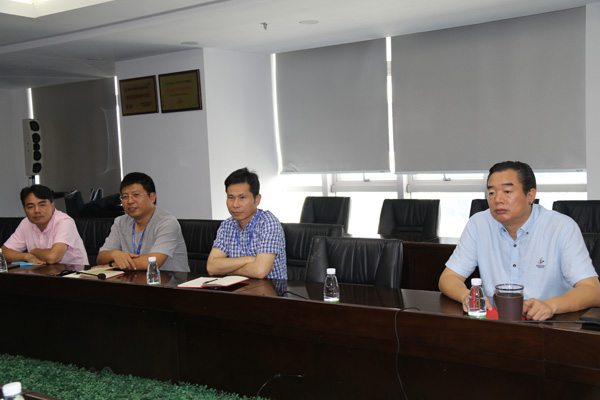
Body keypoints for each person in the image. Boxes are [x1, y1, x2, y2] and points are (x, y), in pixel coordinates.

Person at [439, 161, 600, 321]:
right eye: (492, 192)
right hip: (496, 323)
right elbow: (448, 278)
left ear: (530, 195)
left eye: (507, 191)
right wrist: (467, 296)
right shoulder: (479, 224)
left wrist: (550, 305)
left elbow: (593, 290)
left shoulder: (562, 228)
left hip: (549, 325)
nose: (498, 199)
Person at [97, 172, 189, 272]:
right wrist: (114, 254)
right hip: (134, 279)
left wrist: (113, 265)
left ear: (152, 197)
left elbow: (152, 263)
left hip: (170, 281)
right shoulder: (120, 222)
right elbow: (101, 257)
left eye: (136, 195)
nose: (130, 201)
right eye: (125, 196)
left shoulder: (167, 223)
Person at [207, 168, 287, 279]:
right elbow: (212, 267)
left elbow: (260, 271)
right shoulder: (227, 225)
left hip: (269, 288)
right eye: (231, 197)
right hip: (236, 288)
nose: (235, 204)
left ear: (257, 199)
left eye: (242, 197)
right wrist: (249, 259)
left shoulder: (268, 223)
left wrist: (227, 271)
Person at [2, 185, 88, 265]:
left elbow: (53, 257)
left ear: (52, 206)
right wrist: (26, 256)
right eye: (30, 207)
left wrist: (34, 251)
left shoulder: (64, 222)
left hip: (73, 273)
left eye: (42, 205)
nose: (36, 210)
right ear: (25, 209)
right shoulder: (26, 223)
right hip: (43, 272)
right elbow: (4, 252)